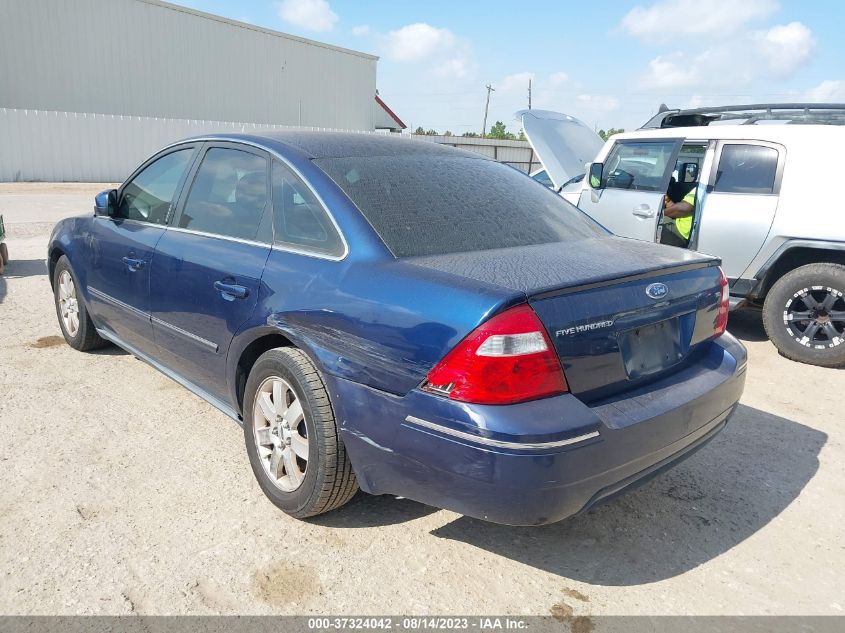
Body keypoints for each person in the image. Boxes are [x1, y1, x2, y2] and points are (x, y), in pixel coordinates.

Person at [660, 182, 695, 248]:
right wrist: (668, 201)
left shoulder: (699, 190)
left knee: (653, 223)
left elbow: (683, 208)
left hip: (682, 230)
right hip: (682, 224)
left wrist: (658, 213)